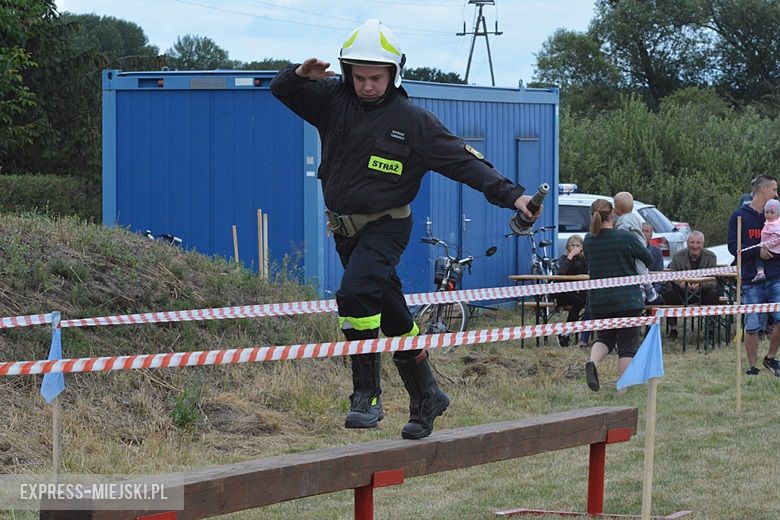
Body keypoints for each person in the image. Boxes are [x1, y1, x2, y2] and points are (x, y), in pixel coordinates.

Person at [270, 20, 540, 439]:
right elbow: (281, 91)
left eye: (376, 77)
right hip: (345, 231)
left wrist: (515, 197)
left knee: (355, 293)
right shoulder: (332, 100)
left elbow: (466, 163)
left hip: (388, 226)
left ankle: (366, 395)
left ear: (395, 74)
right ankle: (428, 395)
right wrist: (298, 75)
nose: (367, 85)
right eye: (358, 77)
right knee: (394, 315)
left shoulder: (414, 122)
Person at [582, 199, 653, 392]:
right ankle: (623, 387)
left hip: (600, 300)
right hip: (627, 300)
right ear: (613, 213)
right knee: (627, 346)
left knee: (604, 337)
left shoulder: (588, 240)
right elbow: (648, 258)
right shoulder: (625, 238)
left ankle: (593, 362)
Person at [727, 174, 780, 376]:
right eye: (774, 190)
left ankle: (771, 357)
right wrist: (757, 251)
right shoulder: (739, 216)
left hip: (775, 275)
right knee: (752, 326)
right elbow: (734, 248)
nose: (776, 194)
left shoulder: (776, 215)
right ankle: (752, 367)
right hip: (751, 277)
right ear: (763, 190)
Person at [660, 231, 722, 339]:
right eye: (692, 242)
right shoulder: (678, 256)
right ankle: (673, 329)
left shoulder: (711, 257)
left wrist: (700, 285)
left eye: (698, 243)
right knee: (668, 291)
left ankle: (710, 329)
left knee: (714, 293)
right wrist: (681, 283)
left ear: (703, 244)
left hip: (703, 292)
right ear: (687, 243)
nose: (695, 246)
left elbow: (713, 280)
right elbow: (672, 277)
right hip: (682, 292)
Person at [613, 192, 657, 303]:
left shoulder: (624, 220)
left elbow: (623, 232)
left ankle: (648, 289)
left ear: (617, 209)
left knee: (640, 268)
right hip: (639, 242)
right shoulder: (633, 216)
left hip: (635, 245)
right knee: (639, 267)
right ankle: (643, 288)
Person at [555, 234, 590, 347]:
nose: (575, 248)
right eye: (572, 245)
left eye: (578, 245)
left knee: (587, 300)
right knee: (578, 302)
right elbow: (561, 274)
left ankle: (567, 333)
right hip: (564, 291)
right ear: (568, 247)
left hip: (579, 292)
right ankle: (566, 332)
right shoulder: (564, 259)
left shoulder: (584, 260)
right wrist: (570, 256)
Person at [641, 222, 665, 304]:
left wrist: (653, 291)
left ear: (651, 235)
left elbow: (659, 277)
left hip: (652, 289)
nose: (644, 233)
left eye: (647, 231)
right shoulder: (630, 249)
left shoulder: (657, 252)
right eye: (642, 230)